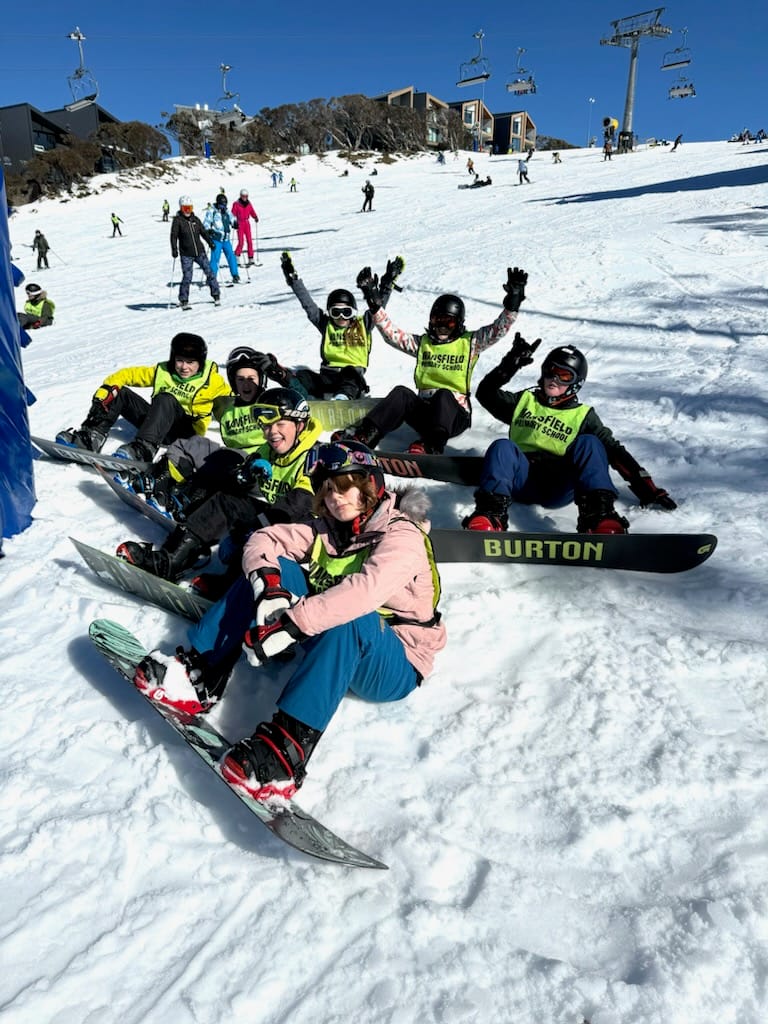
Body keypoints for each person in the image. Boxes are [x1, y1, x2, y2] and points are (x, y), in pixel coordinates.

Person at [131, 442, 447, 801]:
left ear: (369, 483)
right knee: (277, 570)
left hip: (395, 662)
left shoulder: (402, 535)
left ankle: (286, 751)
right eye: (327, 489)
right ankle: (201, 672)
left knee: (354, 616)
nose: (335, 498)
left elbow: (365, 591)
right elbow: (264, 539)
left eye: (345, 485)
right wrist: (268, 587)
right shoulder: (329, 529)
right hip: (334, 639)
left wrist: (293, 624)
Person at [461, 334, 677, 534]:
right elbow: (486, 394)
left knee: (590, 443)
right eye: (551, 371)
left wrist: (648, 490)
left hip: (558, 485)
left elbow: (615, 453)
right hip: (521, 481)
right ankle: (490, 515)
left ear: (575, 383)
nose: (554, 379)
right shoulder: (525, 401)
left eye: (564, 375)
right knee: (502, 446)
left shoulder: (583, 416)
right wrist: (509, 365)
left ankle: (599, 517)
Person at [116, 386, 322, 584]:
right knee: (227, 501)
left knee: (260, 534)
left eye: (280, 424)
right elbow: (239, 479)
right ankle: (170, 560)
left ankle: (231, 587)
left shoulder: (314, 458)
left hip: (313, 538)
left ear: (300, 425)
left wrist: (256, 527)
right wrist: (245, 476)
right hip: (281, 524)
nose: (272, 432)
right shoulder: (270, 450)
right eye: (267, 426)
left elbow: (298, 504)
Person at [334, 266, 527, 455]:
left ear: (458, 323)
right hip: (425, 414)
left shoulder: (470, 343)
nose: (442, 328)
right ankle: (365, 437)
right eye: (438, 322)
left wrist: (514, 301)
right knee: (401, 393)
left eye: (449, 323)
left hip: (453, 417)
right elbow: (392, 334)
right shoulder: (423, 344)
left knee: (443, 394)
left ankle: (431, 446)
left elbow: (498, 329)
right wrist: (374, 304)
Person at [55, 332, 230, 459]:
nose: (184, 367)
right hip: (157, 424)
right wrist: (109, 388)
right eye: (180, 360)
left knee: (165, 398)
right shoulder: (163, 371)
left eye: (191, 362)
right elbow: (128, 374)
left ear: (200, 362)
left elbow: (232, 407)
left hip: (185, 433)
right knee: (120, 392)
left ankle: (144, 449)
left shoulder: (212, 381)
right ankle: (91, 437)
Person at [279, 251, 402, 400]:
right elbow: (308, 305)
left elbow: (378, 308)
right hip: (327, 377)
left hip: (352, 379)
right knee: (304, 376)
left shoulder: (363, 324)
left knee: (350, 374)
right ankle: (297, 395)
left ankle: (342, 400)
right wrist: (294, 280)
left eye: (346, 312)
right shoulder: (326, 325)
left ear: (353, 312)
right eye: (336, 312)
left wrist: (387, 283)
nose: (341, 317)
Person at [170, 196, 220, 310]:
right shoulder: (178, 221)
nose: (188, 211)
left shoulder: (195, 220)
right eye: (185, 209)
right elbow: (173, 236)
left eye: (190, 208)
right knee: (187, 277)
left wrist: (210, 243)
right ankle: (183, 299)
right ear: (181, 208)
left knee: (210, 272)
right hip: (186, 254)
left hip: (200, 252)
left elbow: (203, 232)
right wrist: (174, 249)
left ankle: (216, 294)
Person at [203, 193, 240, 284]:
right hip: (216, 239)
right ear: (218, 203)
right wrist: (209, 230)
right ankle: (211, 278)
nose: (223, 207)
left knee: (231, 256)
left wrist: (235, 223)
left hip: (226, 239)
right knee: (215, 259)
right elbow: (206, 222)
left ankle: (235, 275)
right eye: (221, 205)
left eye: (225, 205)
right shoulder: (212, 211)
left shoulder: (227, 211)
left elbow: (232, 219)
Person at [230, 189, 259, 266]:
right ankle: (236, 256)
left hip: (246, 223)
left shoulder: (248, 203)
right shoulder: (236, 204)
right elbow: (232, 214)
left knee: (249, 241)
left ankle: (251, 257)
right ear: (240, 196)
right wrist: (234, 222)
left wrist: (255, 216)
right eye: (243, 196)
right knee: (241, 242)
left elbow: (251, 211)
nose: (245, 198)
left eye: (246, 196)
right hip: (240, 223)